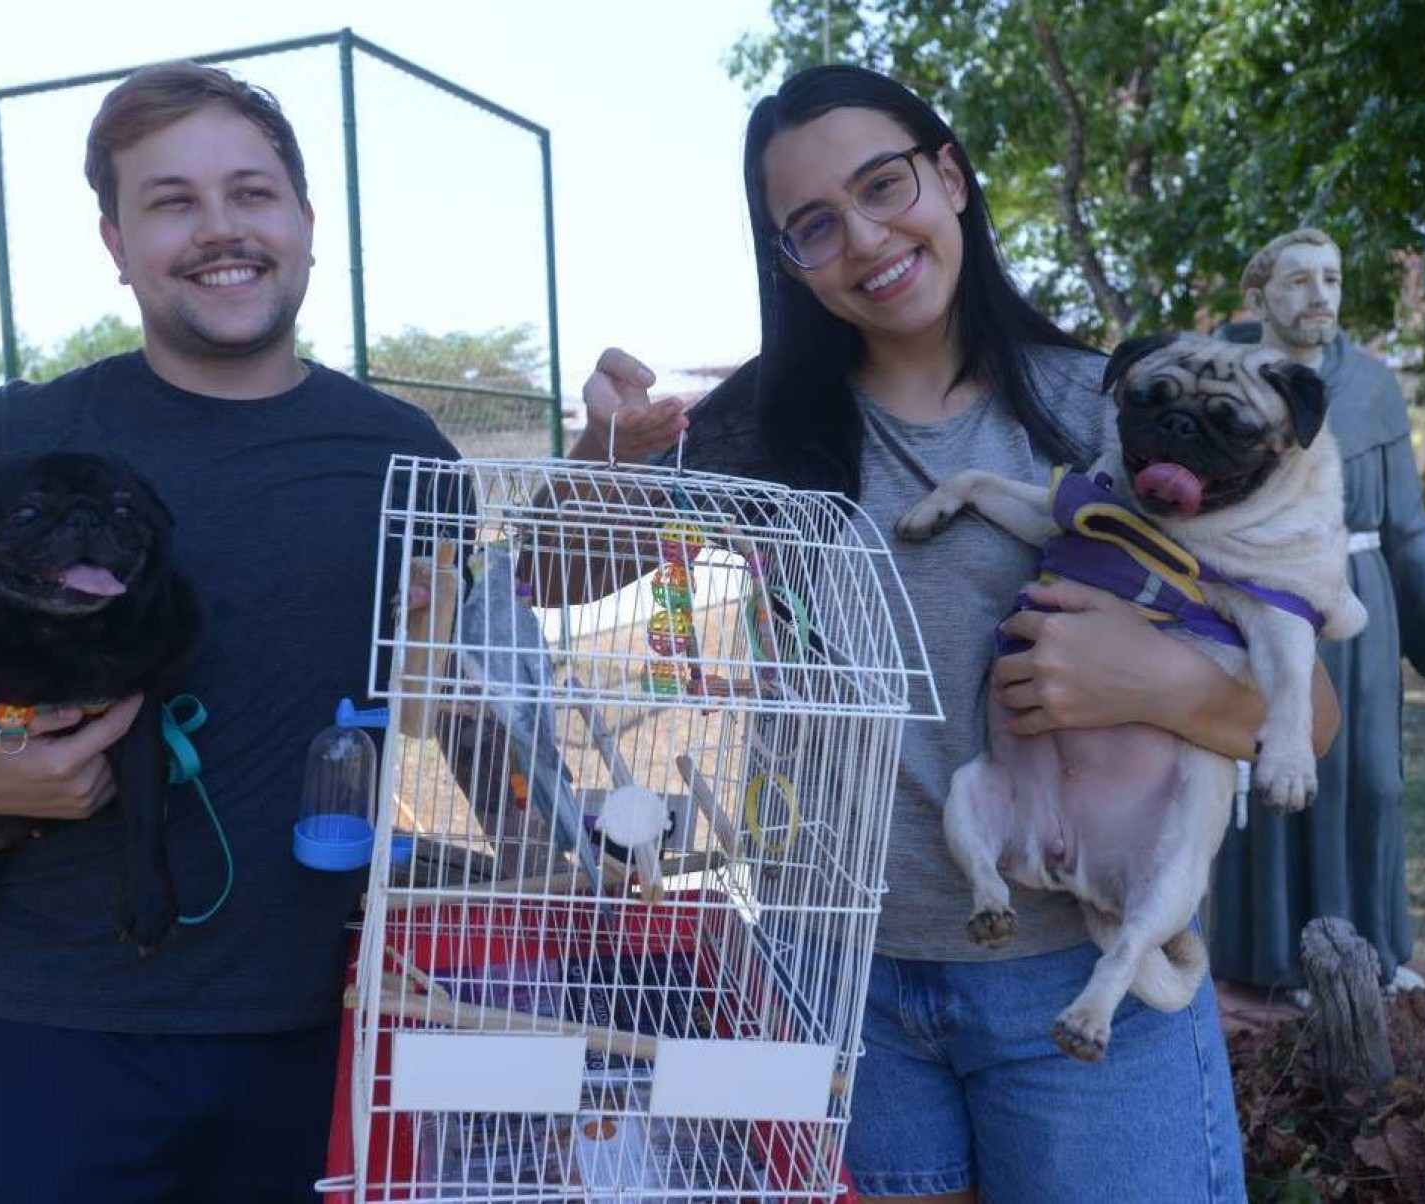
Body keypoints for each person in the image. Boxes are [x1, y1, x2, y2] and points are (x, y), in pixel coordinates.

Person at [560, 65, 1343, 1204]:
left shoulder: (1119, 410)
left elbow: (1306, 712)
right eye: (813, 225)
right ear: (787, 261)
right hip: (838, 976)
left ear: (952, 177)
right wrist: (603, 460)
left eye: (885, 185)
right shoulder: (755, 426)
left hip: (1076, 971)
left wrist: (1155, 681)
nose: (867, 236)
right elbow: (556, 574)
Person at [0, 62, 456, 1202]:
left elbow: (446, 685)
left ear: (305, 222)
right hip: (49, 1028)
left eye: (251, 192)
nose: (221, 229)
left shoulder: (404, 449)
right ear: (116, 240)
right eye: (172, 200)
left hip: (303, 1023)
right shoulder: (18, 435)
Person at [1209, 227, 1425, 995]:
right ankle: (1288, 961)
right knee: (1288, 781)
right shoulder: (1225, 380)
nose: (1320, 297)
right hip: (1270, 598)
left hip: (1362, 603)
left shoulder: (1372, 386)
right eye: (1300, 281)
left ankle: (1376, 947)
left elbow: (1408, 526)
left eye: (1332, 280)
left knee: (1374, 780)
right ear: (1261, 293)